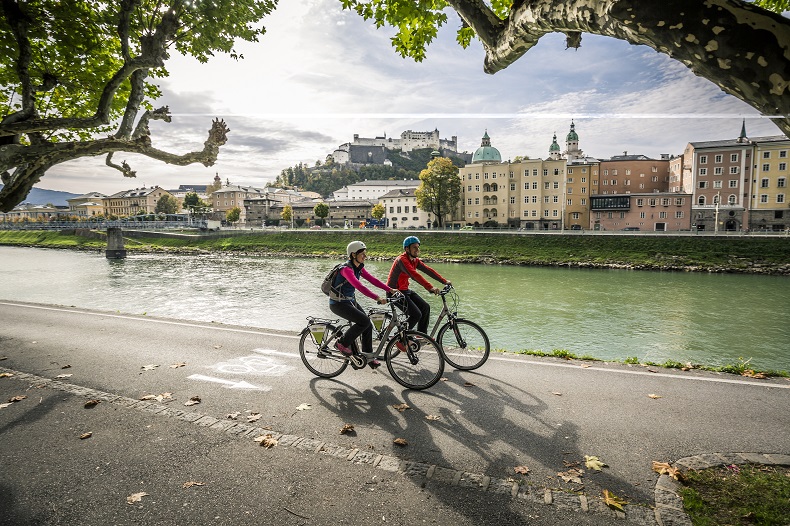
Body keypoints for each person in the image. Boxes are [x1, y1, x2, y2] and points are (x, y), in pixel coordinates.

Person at [329, 240, 395, 369]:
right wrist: (377, 298)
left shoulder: (358, 268)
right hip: (338, 304)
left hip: (349, 301)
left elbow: (373, 280)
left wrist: (390, 289)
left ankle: (368, 356)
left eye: (365, 253)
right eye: (362, 254)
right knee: (364, 322)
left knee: (367, 325)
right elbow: (360, 287)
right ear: (353, 255)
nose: (365, 256)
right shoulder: (346, 270)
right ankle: (341, 343)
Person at [387, 236, 451, 335]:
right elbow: (414, 275)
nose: (417, 249)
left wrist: (444, 281)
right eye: (414, 247)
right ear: (407, 249)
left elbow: (428, 270)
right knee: (416, 314)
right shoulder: (402, 260)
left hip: (404, 290)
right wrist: (430, 287)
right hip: (394, 292)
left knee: (425, 307)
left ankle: (421, 336)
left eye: (418, 247)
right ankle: (399, 337)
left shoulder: (414, 260)